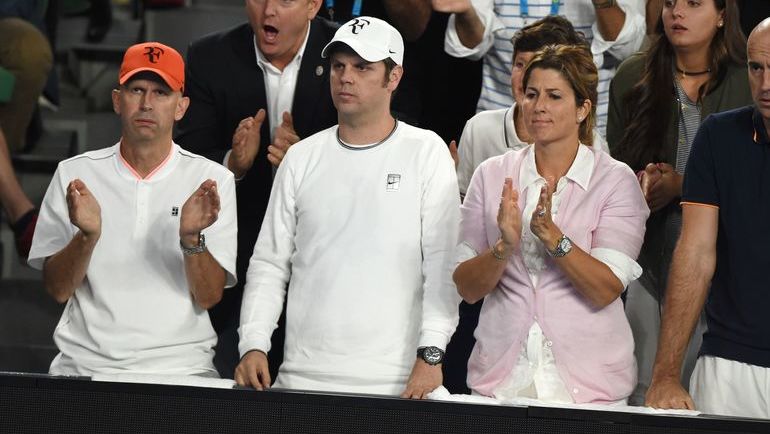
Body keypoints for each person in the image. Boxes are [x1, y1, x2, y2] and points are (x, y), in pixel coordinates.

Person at [235, 17, 460, 398]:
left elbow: (442, 265)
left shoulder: (426, 151)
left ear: (394, 77)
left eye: (362, 67)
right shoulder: (301, 158)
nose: (345, 77)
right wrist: (254, 344)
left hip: (397, 382)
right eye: (338, 66)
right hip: (301, 378)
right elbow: (270, 263)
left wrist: (431, 353)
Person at [27, 42, 237, 376]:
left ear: (181, 107)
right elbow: (57, 289)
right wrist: (86, 237)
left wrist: (191, 238)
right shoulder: (74, 174)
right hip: (85, 366)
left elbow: (209, 296)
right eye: (136, 90)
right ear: (117, 100)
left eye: (161, 92)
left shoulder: (212, 181)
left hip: (182, 369)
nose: (146, 104)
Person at [453, 44, 648, 403]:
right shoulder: (490, 174)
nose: (538, 106)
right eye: (531, 94)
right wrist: (502, 248)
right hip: (499, 383)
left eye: (554, 96)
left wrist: (554, 238)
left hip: (591, 388)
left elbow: (606, 288)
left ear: (582, 109)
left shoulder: (615, 181)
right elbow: (466, 287)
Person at [174, 0, 338, 379]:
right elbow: (188, 159)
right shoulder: (210, 57)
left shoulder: (344, 56)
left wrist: (308, 164)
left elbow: (373, 144)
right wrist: (233, 163)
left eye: (284, 0)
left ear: (314, 5)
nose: (268, 11)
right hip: (237, 250)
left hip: (322, 251)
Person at [606, 0, 751, 405]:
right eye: (669, 3)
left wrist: (681, 185)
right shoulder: (632, 75)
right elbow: (616, 169)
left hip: (728, 267)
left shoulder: (749, 79)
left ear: (722, 15)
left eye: (693, 3)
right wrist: (643, 182)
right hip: (649, 259)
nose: (676, 13)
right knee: (643, 391)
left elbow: (751, 181)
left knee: (709, 395)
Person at [644, 18, 770, 418]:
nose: (766, 84)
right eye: (757, 68)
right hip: (729, 366)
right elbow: (695, 254)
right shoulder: (718, 136)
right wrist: (665, 374)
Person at [433, 0, 646, 132]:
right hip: (501, 122)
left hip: (582, 127)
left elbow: (627, 49)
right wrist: (466, 13)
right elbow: (471, 47)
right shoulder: (480, 132)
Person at [456, 15, 609, 197]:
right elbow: (463, 202)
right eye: (520, 65)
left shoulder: (594, 145)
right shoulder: (479, 129)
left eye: (536, 66)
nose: (525, 78)